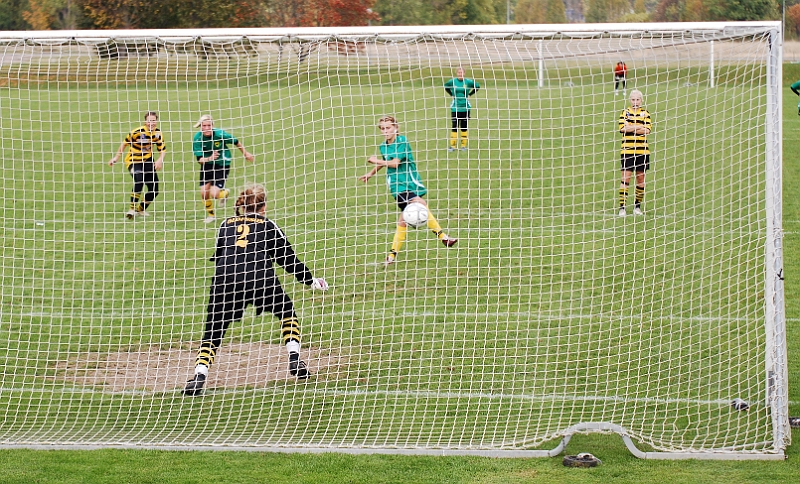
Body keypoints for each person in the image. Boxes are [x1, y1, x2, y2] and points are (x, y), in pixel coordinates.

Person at [183, 184, 329, 396]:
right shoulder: (268, 225)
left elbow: (219, 255)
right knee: (287, 312)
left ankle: (199, 375)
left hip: (225, 279)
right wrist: (309, 280)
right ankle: (295, 359)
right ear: (263, 206)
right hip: (260, 277)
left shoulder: (225, 224)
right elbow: (287, 259)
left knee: (213, 330)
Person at [358, 116, 457, 266]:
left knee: (403, 219)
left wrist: (375, 160)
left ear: (396, 127)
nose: (385, 131)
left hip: (410, 182)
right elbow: (387, 161)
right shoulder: (383, 146)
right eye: (382, 128)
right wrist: (371, 173)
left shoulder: (402, 141)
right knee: (420, 203)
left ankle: (391, 255)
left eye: (388, 128)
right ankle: (443, 237)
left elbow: (395, 163)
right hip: (397, 186)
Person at [192, 115, 255, 224]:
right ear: (201, 127)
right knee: (203, 193)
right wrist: (209, 158)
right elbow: (200, 159)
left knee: (215, 194)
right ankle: (211, 215)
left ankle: (225, 193)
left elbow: (236, 141)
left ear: (213, 126)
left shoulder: (220, 134)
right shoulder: (197, 138)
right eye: (204, 126)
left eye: (209, 125)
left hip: (222, 164)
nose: (206, 128)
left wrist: (245, 153)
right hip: (207, 165)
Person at [108, 111, 166, 219]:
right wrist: (116, 157)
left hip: (148, 161)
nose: (151, 123)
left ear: (156, 121)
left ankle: (140, 210)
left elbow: (162, 149)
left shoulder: (158, 134)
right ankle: (131, 209)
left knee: (154, 189)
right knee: (139, 179)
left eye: (153, 121)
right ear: (145, 121)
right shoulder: (137, 132)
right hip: (133, 161)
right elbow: (124, 143)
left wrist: (159, 160)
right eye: (149, 121)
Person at [617, 90, 651, 217]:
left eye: (637, 100)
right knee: (626, 178)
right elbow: (622, 129)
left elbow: (647, 130)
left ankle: (637, 207)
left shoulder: (645, 113)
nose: (635, 102)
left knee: (640, 178)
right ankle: (622, 208)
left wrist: (631, 126)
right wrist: (638, 126)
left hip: (642, 150)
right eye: (633, 100)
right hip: (627, 150)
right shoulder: (625, 113)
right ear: (630, 100)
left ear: (641, 100)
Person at [444, 67, 480, 152]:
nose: (460, 74)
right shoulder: (452, 81)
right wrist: (451, 94)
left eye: (462, 73)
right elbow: (446, 86)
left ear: (464, 73)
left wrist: (470, 94)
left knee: (464, 127)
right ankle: (452, 146)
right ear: (457, 73)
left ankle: (463, 146)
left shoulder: (468, 82)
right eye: (459, 72)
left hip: (465, 107)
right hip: (455, 107)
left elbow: (477, 86)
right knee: (454, 126)